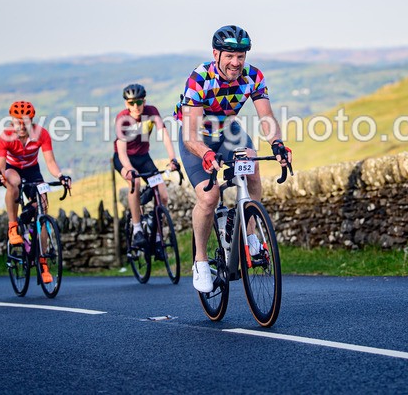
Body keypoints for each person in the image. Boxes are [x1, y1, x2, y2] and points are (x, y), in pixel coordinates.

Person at [175, 25, 291, 292]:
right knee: (209, 196)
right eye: (229, 56)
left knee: (252, 165)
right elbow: (190, 134)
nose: (235, 63)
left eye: (240, 56)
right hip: (198, 137)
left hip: (229, 131)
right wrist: (205, 153)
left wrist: (278, 144)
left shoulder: (253, 76)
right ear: (216, 53)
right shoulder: (200, 78)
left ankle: (250, 233)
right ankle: (201, 261)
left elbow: (266, 117)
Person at [0, 101, 71, 284]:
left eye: (26, 121)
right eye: (18, 121)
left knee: (42, 210)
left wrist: (61, 176)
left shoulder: (41, 134)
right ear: (12, 120)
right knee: (14, 182)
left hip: (33, 170)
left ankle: (43, 263)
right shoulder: (5, 136)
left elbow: (50, 162)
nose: (22, 125)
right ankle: (13, 227)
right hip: (13, 169)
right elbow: (1, 165)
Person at [113, 83, 179, 249]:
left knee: (163, 195)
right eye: (131, 103)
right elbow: (121, 150)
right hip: (124, 159)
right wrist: (129, 169)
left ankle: (157, 237)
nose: (136, 107)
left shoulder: (152, 112)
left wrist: (173, 159)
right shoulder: (122, 118)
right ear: (126, 104)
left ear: (144, 101)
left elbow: (164, 136)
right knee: (134, 183)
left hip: (144, 158)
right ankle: (137, 230)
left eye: (139, 102)